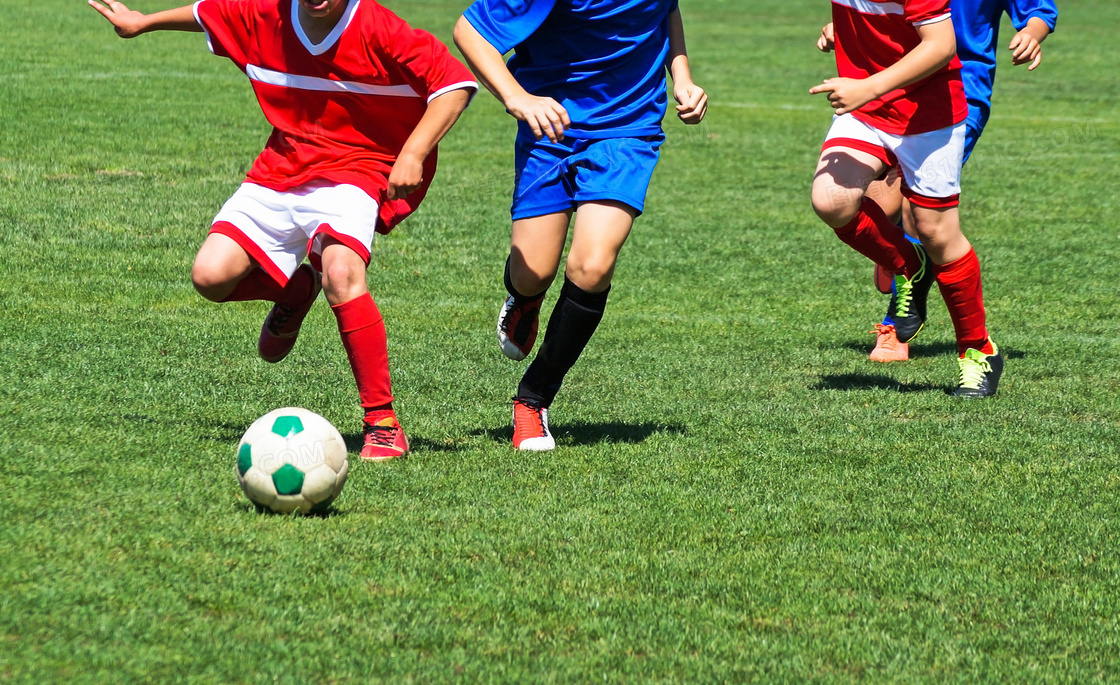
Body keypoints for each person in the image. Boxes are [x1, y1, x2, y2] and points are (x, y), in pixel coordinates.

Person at [89, 0, 477, 458]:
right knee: (210, 277)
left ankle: (383, 423)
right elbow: (206, 13)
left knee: (340, 273)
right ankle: (294, 291)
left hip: (361, 167)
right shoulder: (264, 14)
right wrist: (142, 23)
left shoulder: (377, 27)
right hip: (283, 166)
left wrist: (411, 153)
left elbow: (455, 83)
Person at [452, 0, 707, 451]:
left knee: (592, 265)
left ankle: (533, 400)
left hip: (629, 128)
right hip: (550, 126)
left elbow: (666, 12)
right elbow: (469, 31)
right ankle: (524, 298)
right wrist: (517, 97)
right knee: (533, 272)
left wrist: (682, 77)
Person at [818, 0, 1057, 364]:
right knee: (871, 203)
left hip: (958, 92)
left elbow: (1039, 9)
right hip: (882, 91)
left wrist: (1031, 33)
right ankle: (909, 265)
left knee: (923, 218)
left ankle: (899, 328)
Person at [809, 0, 1003, 397]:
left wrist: (868, 85)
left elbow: (941, 44)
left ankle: (978, 351)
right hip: (866, 112)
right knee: (832, 200)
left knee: (937, 233)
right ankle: (909, 264)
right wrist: (842, 30)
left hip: (928, 115)